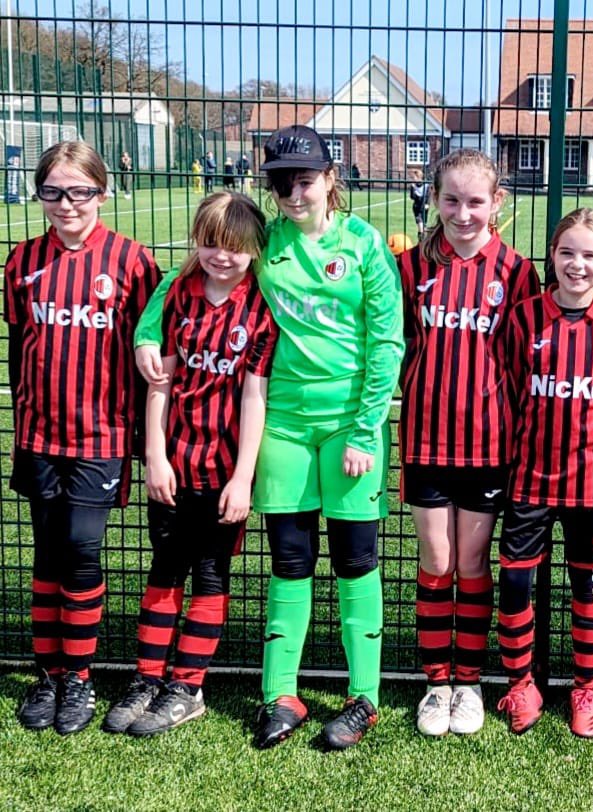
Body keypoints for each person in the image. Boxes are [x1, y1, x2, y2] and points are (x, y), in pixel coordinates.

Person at [134, 125, 403, 751]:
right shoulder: (266, 239)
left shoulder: (363, 245)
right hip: (281, 425)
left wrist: (366, 427)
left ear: (330, 179)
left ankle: (364, 699)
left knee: (356, 561)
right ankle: (279, 694)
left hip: (349, 428)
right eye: (281, 182)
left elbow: (387, 341)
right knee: (290, 561)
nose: (292, 193)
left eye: (304, 179)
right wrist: (150, 334)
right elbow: (187, 283)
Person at [103, 192, 277, 737]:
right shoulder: (177, 296)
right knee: (163, 569)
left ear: (253, 250)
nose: (221, 256)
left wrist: (243, 477)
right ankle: (147, 677)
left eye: (234, 247)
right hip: (174, 466)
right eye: (210, 244)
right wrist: (154, 455)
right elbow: (162, 383)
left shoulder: (261, 309)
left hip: (223, 472)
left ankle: (187, 685)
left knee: (210, 574)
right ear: (195, 242)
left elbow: (255, 397)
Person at [4, 141, 160, 735]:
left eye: (79, 191)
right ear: (39, 193)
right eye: (52, 192)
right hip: (40, 437)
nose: (66, 203)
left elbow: (149, 356)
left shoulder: (131, 261)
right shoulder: (22, 261)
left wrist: (148, 440)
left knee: (83, 551)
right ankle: (49, 674)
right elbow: (20, 353)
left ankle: (80, 677)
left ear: (101, 191)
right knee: (46, 556)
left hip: (101, 436)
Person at [397, 148, 539, 738]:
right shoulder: (410, 267)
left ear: (496, 203)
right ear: (435, 198)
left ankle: (471, 680)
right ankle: (437, 681)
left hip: (487, 444)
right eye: (450, 199)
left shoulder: (517, 271)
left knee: (474, 565)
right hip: (427, 441)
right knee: (438, 562)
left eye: (474, 201)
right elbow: (394, 344)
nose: (462, 212)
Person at [496, 209, 593, 738]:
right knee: (514, 583)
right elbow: (509, 387)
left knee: (588, 586)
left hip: (591, 480)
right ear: (551, 256)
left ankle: (584, 688)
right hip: (530, 477)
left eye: (590, 255)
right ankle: (521, 683)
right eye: (567, 253)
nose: (577, 265)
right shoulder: (525, 317)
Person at [409, 168, 430, 240]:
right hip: (417, 206)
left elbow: (428, 195)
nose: (412, 179)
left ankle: (425, 237)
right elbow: (412, 197)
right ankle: (421, 237)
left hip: (424, 205)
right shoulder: (413, 186)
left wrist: (427, 203)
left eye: (413, 177)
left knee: (424, 223)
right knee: (419, 221)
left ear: (418, 177)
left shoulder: (426, 185)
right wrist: (412, 189)